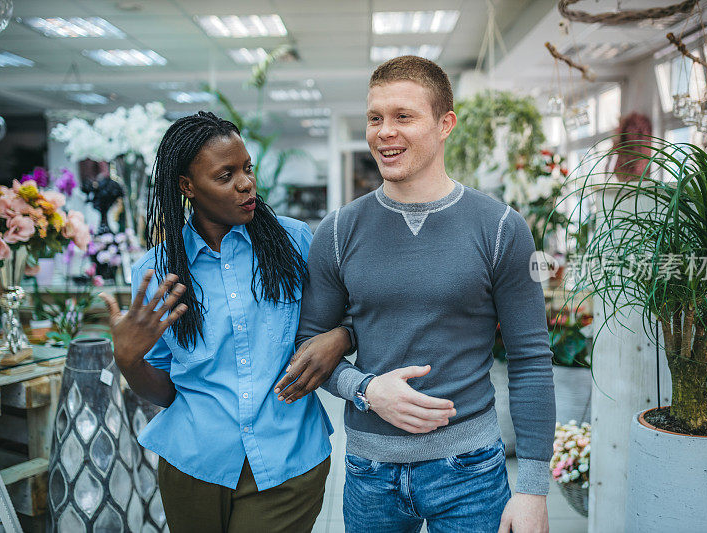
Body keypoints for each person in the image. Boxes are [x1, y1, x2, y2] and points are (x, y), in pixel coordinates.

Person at [278, 56, 555, 533]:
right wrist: (366, 390)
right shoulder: (339, 231)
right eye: (375, 118)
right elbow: (309, 349)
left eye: (403, 116)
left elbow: (530, 357)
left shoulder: (500, 229)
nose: (384, 132)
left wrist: (531, 487)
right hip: (369, 473)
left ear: (445, 124)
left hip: (471, 472)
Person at [99, 112, 353, 532]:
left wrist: (341, 337)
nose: (245, 183)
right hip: (194, 464)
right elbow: (163, 391)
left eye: (247, 169)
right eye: (225, 175)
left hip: (289, 459)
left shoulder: (295, 243)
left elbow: (353, 312)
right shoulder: (157, 270)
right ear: (187, 186)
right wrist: (127, 359)